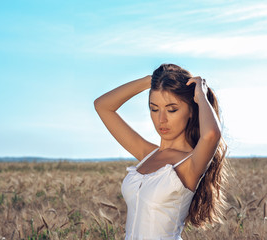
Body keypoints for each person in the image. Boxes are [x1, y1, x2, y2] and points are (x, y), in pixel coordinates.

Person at [94, 63, 228, 239]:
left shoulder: (189, 164)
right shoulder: (147, 154)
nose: (161, 119)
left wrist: (201, 96)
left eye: (172, 109)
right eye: (154, 108)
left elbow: (211, 134)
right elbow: (102, 106)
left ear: (191, 111)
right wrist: (152, 81)